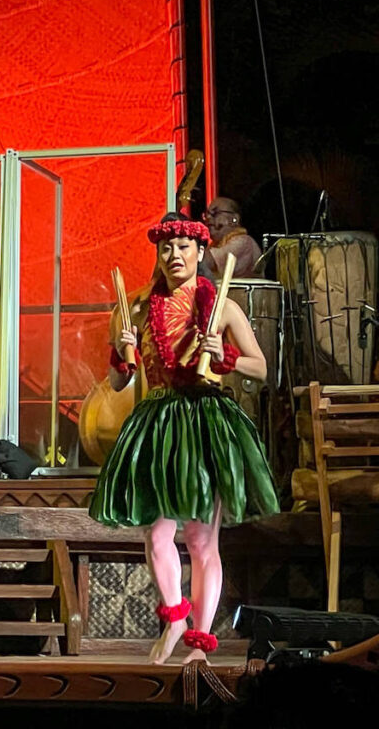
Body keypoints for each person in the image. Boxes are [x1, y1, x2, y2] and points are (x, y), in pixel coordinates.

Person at [88, 213, 279, 665]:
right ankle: (175, 615)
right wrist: (121, 354)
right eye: (166, 248)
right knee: (156, 537)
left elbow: (263, 369)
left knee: (200, 540)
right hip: (157, 422)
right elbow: (117, 385)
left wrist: (226, 356)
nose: (174, 256)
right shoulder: (135, 307)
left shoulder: (221, 307)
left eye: (183, 248)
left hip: (204, 421)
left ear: (200, 252)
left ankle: (199, 641)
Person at [203, 197, 262, 277]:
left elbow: (209, 262)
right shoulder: (214, 245)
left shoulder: (244, 242)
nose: (208, 218)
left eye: (215, 213)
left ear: (234, 219)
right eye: (207, 214)